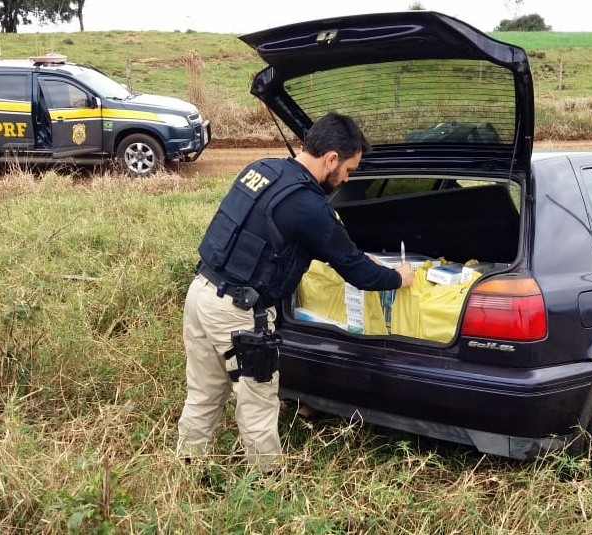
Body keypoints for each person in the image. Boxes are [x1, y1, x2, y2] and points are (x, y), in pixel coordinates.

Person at [176, 112, 414, 472]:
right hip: (239, 313)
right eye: (349, 170)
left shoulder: (264, 169)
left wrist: (348, 252)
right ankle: (265, 487)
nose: (347, 178)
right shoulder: (309, 205)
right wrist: (399, 278)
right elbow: (359, 274)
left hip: (201, 294)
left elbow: (272, 233)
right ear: (331, 158)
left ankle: (186, 470)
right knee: (258, 404)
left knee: (204, 393)